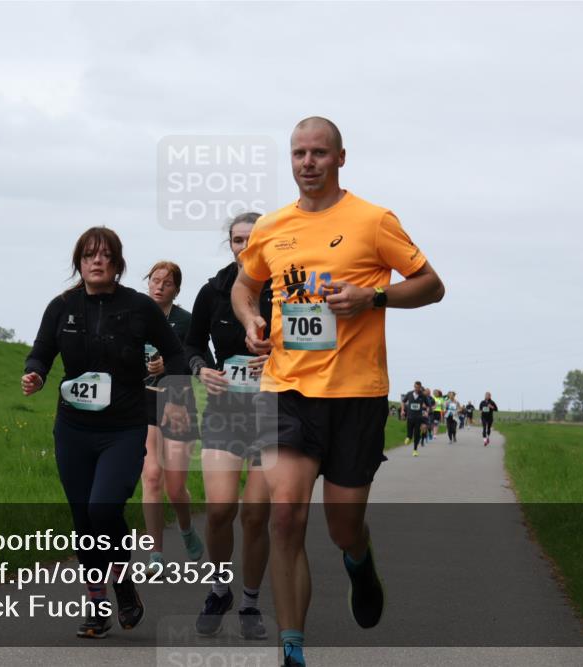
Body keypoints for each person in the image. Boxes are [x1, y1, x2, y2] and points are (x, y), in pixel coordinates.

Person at [230, 117, 444, 667]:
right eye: (299, 153)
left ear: (340, 158)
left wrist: (372, 298)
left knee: (341, 525)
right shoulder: (272, 227)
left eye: (319, 153)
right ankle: (292, 648)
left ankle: (359, 560)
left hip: (355, 396)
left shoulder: (374, 221)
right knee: (285, 518)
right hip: (286, 390)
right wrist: (252, 318)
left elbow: (431, 286)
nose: (308, 162)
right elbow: (244, 284)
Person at [22, 227, 192, 639]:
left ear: (117, 263)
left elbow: (176, 354)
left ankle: (121, 583)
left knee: (103, 509)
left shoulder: (138, 307)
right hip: (74, 427)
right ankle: (101, 602)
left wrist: (169, 384)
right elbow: (42, 351)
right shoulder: (61, 306)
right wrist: (36, 374)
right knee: (84, 518)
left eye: (105, 255)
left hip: (124, 427)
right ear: (79, 262)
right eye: (89, 255)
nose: (97, 261)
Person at [184, 212, 273, 639]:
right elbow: (189, 343)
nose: (244, 246)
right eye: (238, 239)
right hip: (224, 411)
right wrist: (202, 369)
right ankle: (219, 590)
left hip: (274, 413)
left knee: (256, 516)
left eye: (252, 239)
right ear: (231, 244)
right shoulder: (213, 291)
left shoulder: (285, 289)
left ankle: (251, 603)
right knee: (220, 510)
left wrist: (277, 360)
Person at [140, 261, 204, 574]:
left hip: (179, 402)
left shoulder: (186, 321)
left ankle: (186, 528)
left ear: (176, 289)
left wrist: (169, 367)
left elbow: (197, 359)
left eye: (167, 282)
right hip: (145, 404)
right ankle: (155, 553)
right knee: (152, 475)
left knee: (175, 487)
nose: (159, 286)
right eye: (155, 280)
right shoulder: (134, 316)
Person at [401, 382, 426, 456]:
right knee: (409, 434)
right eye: (415, 387)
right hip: (410, 417)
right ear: (414, 387)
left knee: (417, 434)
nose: (416, 389)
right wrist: (402, 410)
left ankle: (415, 450)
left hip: (418, 418)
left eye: (418, 387)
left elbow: (428, 405)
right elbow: (403, 401)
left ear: (420, 387)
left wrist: (426, 411)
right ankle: (408, 437)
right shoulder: (409, 394)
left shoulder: (423, 395)